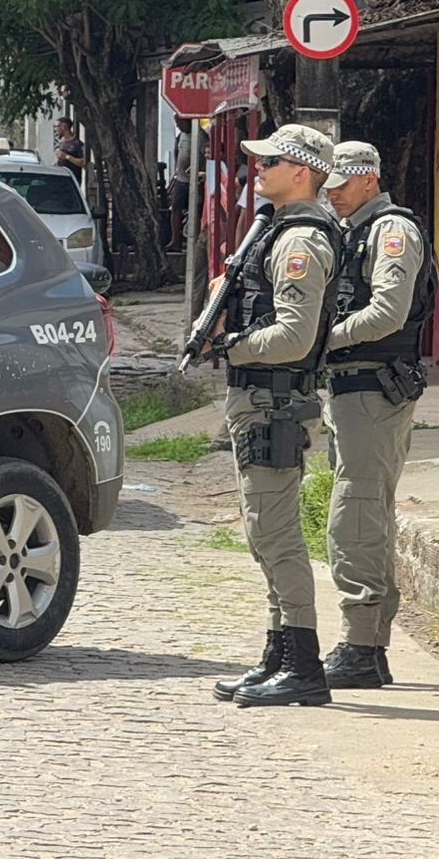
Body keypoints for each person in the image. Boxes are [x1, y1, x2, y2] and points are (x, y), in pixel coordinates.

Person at [207, 125, 340, 708]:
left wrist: (230, 344)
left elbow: (294, 335)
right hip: (260, 399)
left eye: (271, 162)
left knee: (278, 533)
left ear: (303, 172)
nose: (256, 169)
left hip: (275, 402)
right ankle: (278, 653)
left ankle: (303, 663)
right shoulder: (277, 232)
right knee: (262, 532)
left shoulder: (301, 242)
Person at [319, 142, 435, 690]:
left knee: (357, 514)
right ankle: (369, 645)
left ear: (370, 180)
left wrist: (316, 340)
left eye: (343, 183)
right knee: (363, 510)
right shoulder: (352, 230)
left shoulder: (391, 231)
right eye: (328, 184)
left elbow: (388, 311)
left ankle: (361, 646)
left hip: (372, 388)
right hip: (353, 390)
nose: (333, 192)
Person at [169, 118, 203, 244]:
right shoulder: (181, 135)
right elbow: (177, 151)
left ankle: (195, 240)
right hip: (181, 179)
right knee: (176, 208)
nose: (178, 125)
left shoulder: (200, 136)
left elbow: (205, 156)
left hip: (195, 181)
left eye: (179, 122)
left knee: (196, 211)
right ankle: (175, 240)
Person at [55, 117, 86, 183]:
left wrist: (67, 156)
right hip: (60, 178)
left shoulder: (77, 143)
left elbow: (82, 162)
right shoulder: (61, 143)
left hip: (72, 180)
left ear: (63, 127)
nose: (56, 129)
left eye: (57, 126)